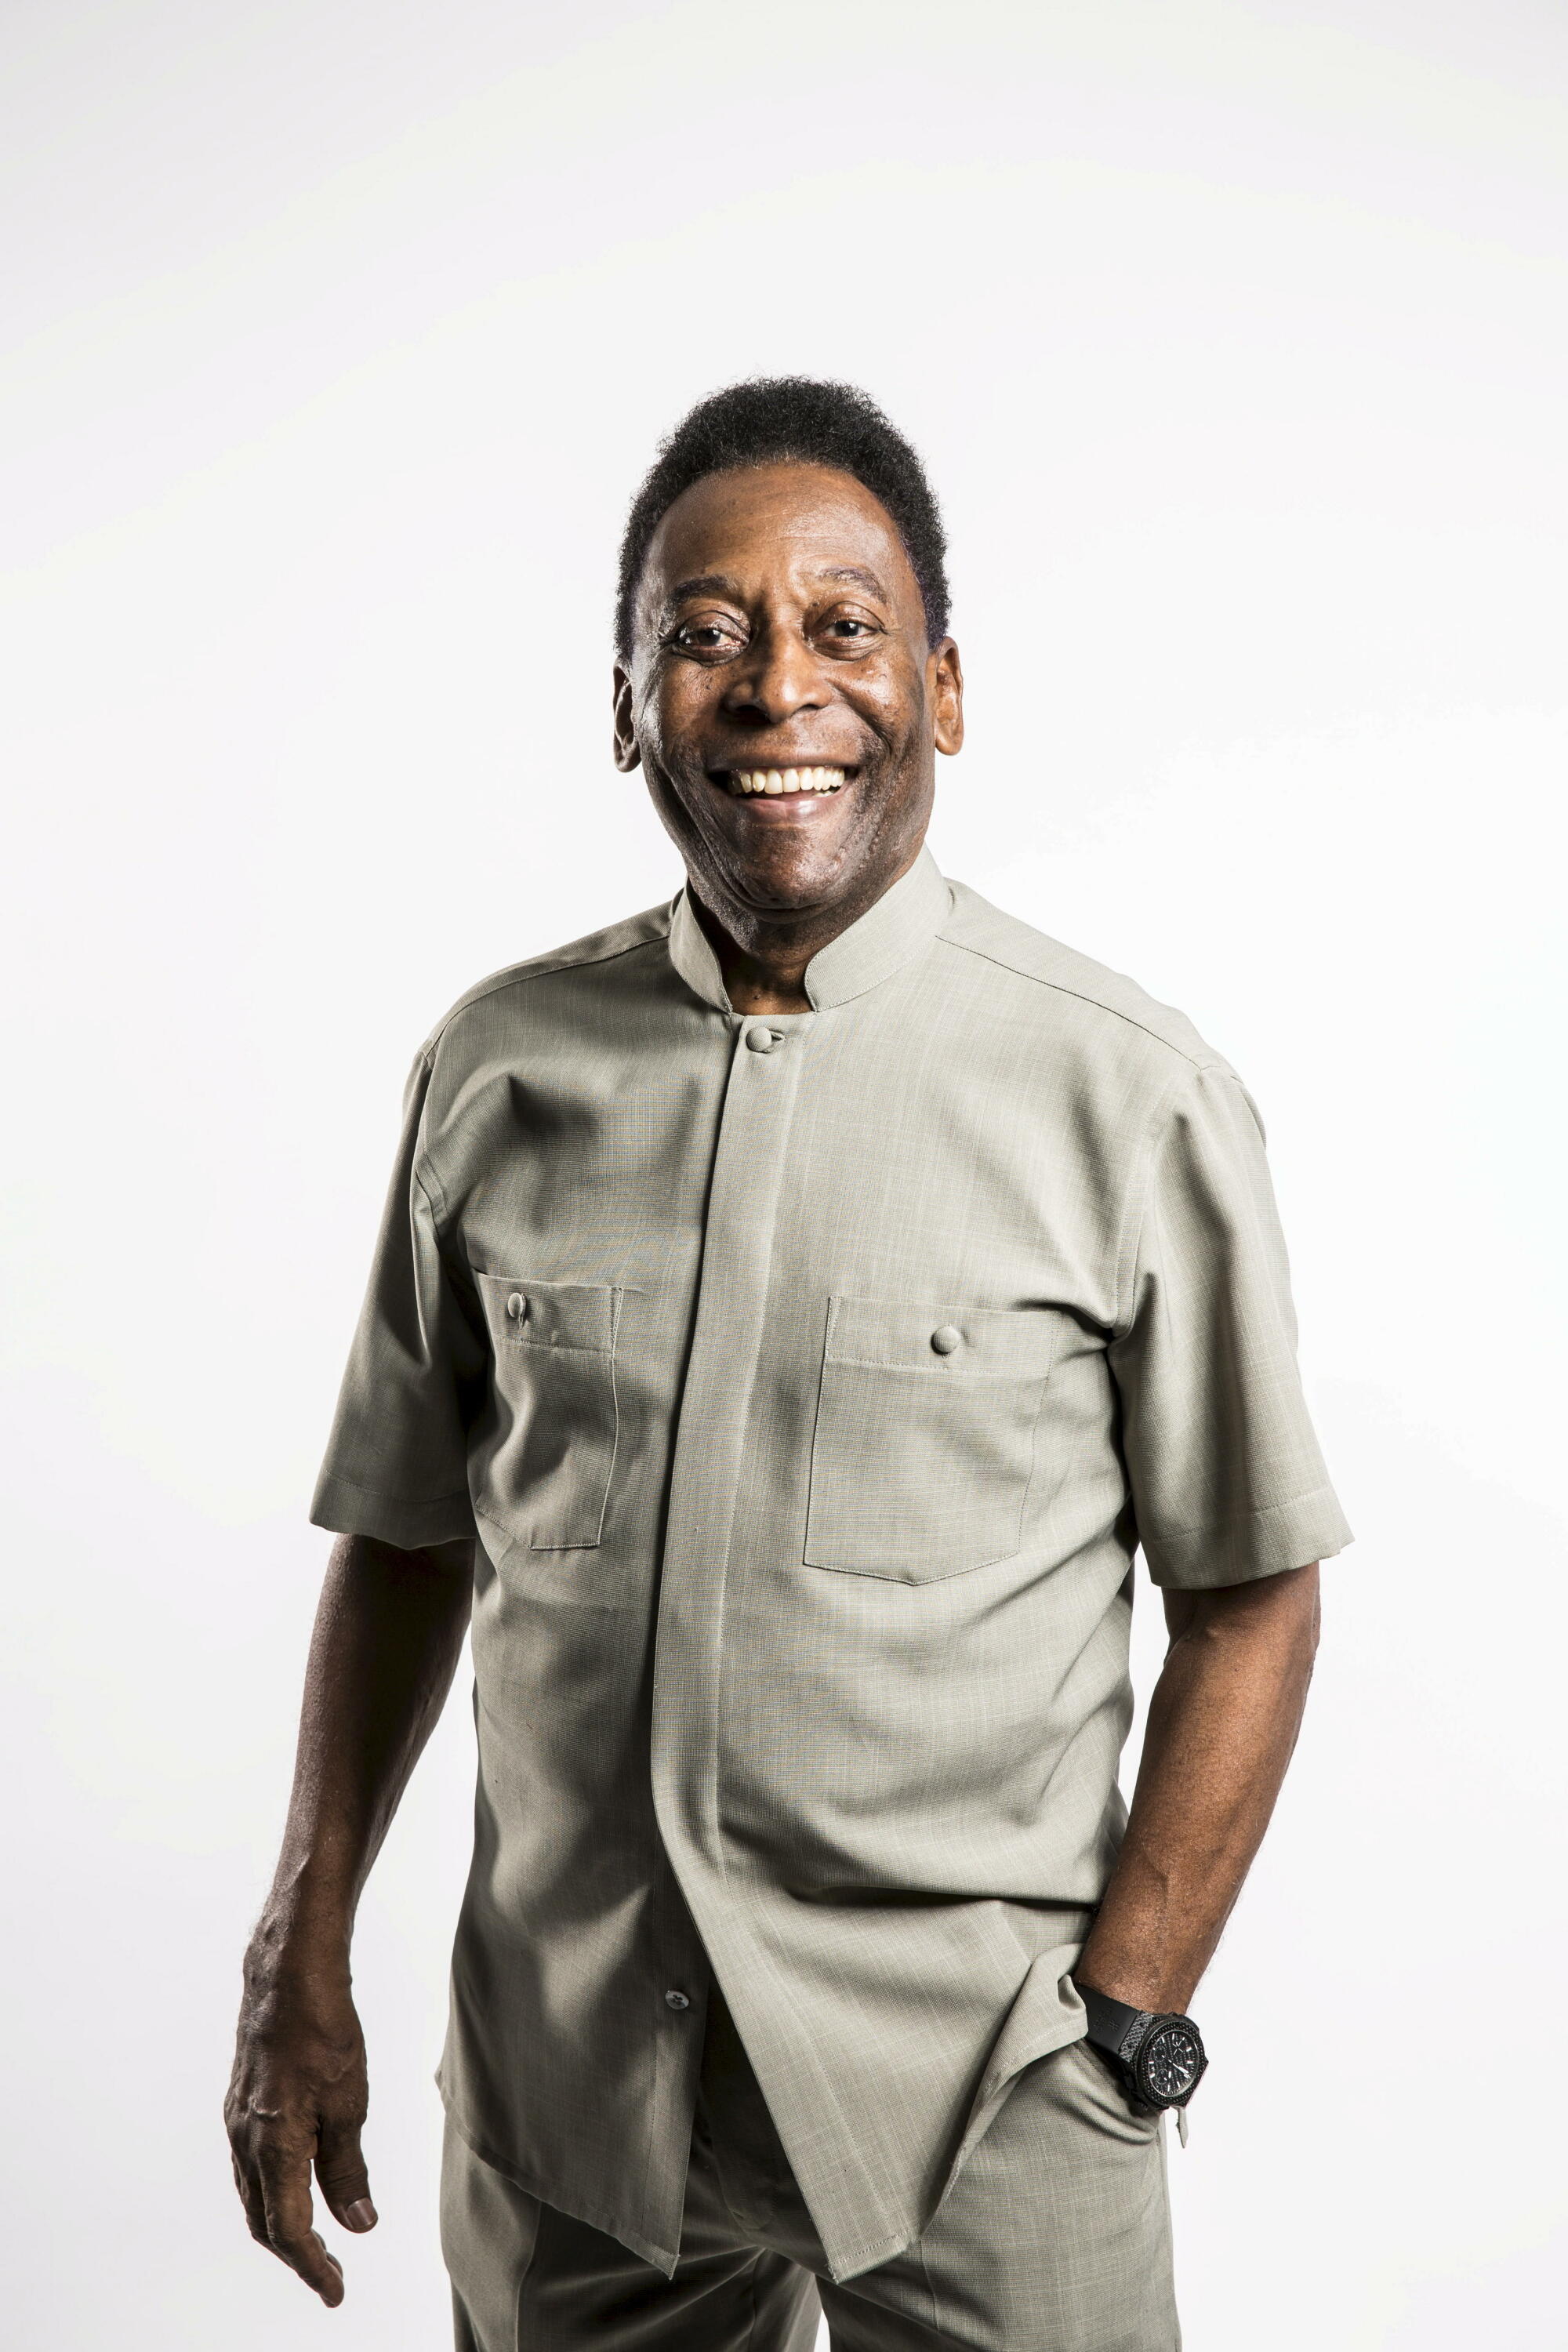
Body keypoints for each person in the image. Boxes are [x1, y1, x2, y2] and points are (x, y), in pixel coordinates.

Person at [226, 377, 1352, 2350]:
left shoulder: (1127, 1095)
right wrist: (297, 1943)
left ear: (942, 688)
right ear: (625, 702)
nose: (774, 688)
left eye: (843, 627)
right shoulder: (495, 1068)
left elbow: (1250, 1589)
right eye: (704, 632)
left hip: (988, 2096)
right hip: (570, 2093)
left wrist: (1132, 2018)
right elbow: (404, 1536)